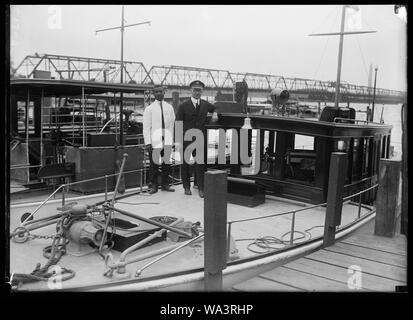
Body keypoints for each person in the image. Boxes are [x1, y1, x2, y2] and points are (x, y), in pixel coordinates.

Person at [176, 80, 218, 198]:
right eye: (195, 90)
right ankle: (186, 187)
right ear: (191, 90)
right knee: (185, 164)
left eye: (199, 90)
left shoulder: (205, 104)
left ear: (202, 91)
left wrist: (215, 113)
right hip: (186, 140)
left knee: (200, 164)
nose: (197, 92)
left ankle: (201, 188)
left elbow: (216, 107)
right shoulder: (183, 106)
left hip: (200, 139)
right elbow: (178, 123)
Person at [143, 86, 176, 194]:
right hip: (155, 141)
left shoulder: (169, 107)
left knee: (167, 164)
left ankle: (165, 184)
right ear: (153, 94)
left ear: (164, 92)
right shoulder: (149, 109)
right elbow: (146, 127)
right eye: (156, 92)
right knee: (154, 165)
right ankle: (153, 185)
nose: (159, 94)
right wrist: (148, 142)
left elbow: (172, 124)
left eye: (160, 91)